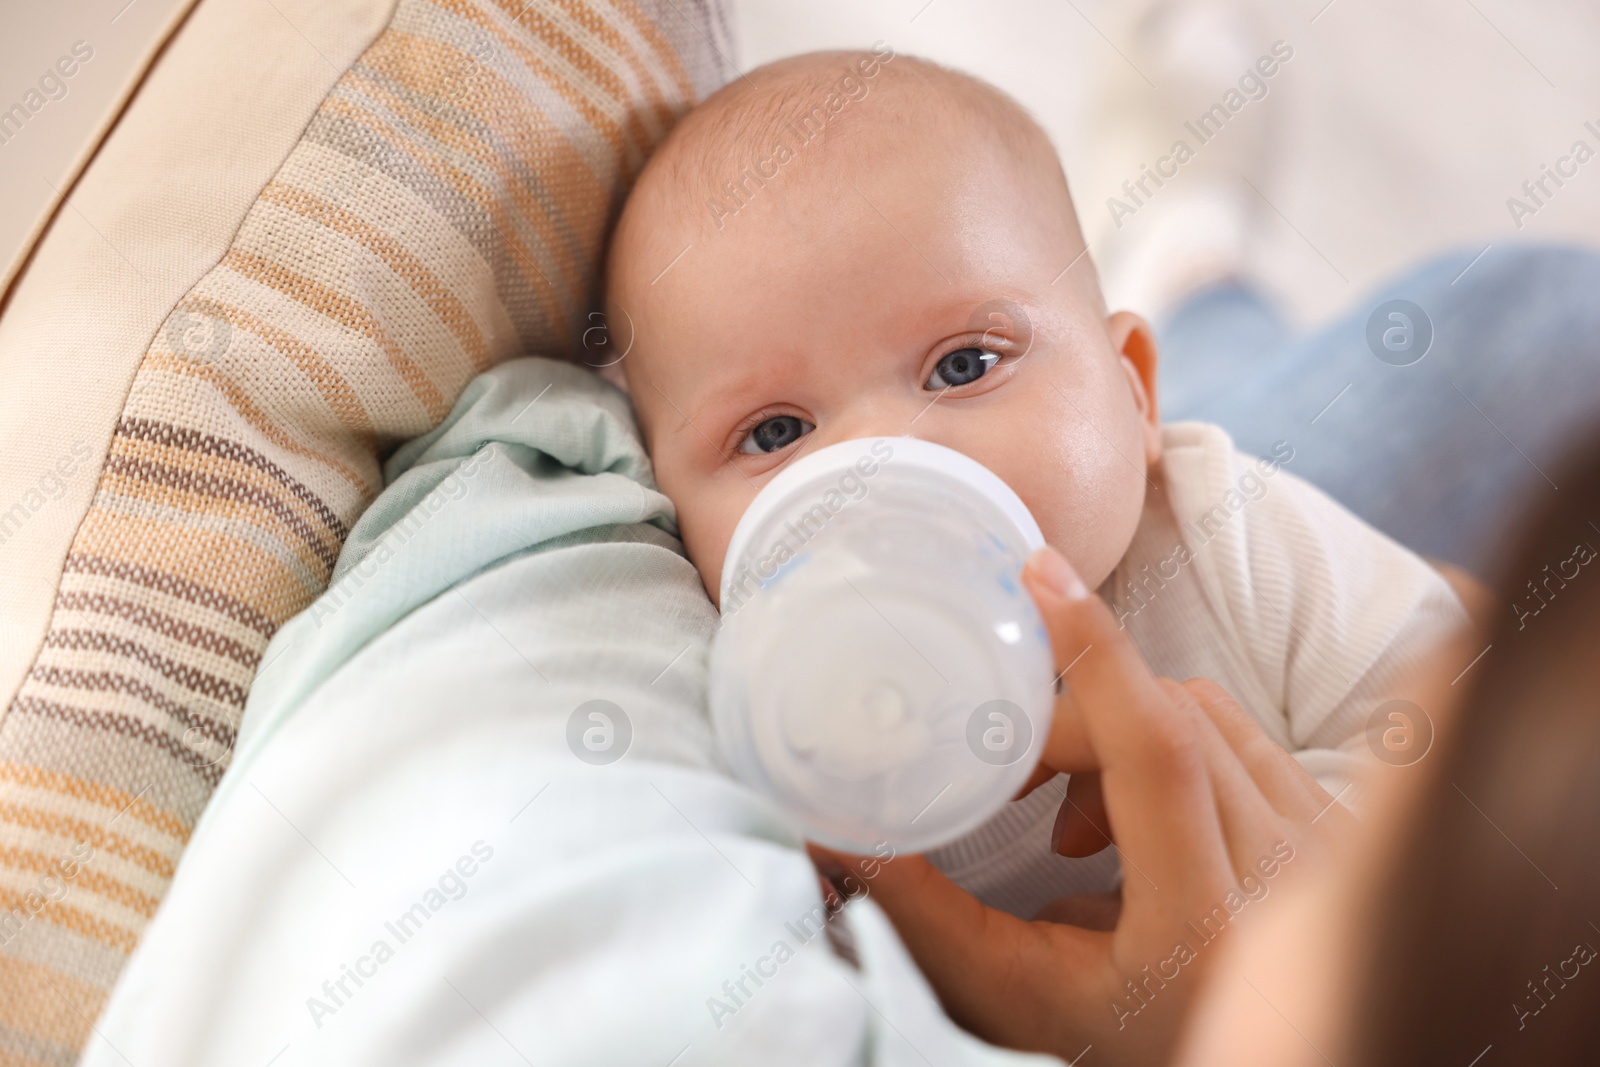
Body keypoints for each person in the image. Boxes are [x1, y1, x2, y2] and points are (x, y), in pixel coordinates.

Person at [604, 48, 1468, 921]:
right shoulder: (735, 734)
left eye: (965, 364)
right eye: (776, 432)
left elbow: (1453, 725)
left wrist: (1315, 886)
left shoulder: (1223, 533)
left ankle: (1184, 248)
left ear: (1132, 392)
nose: (877, 462)